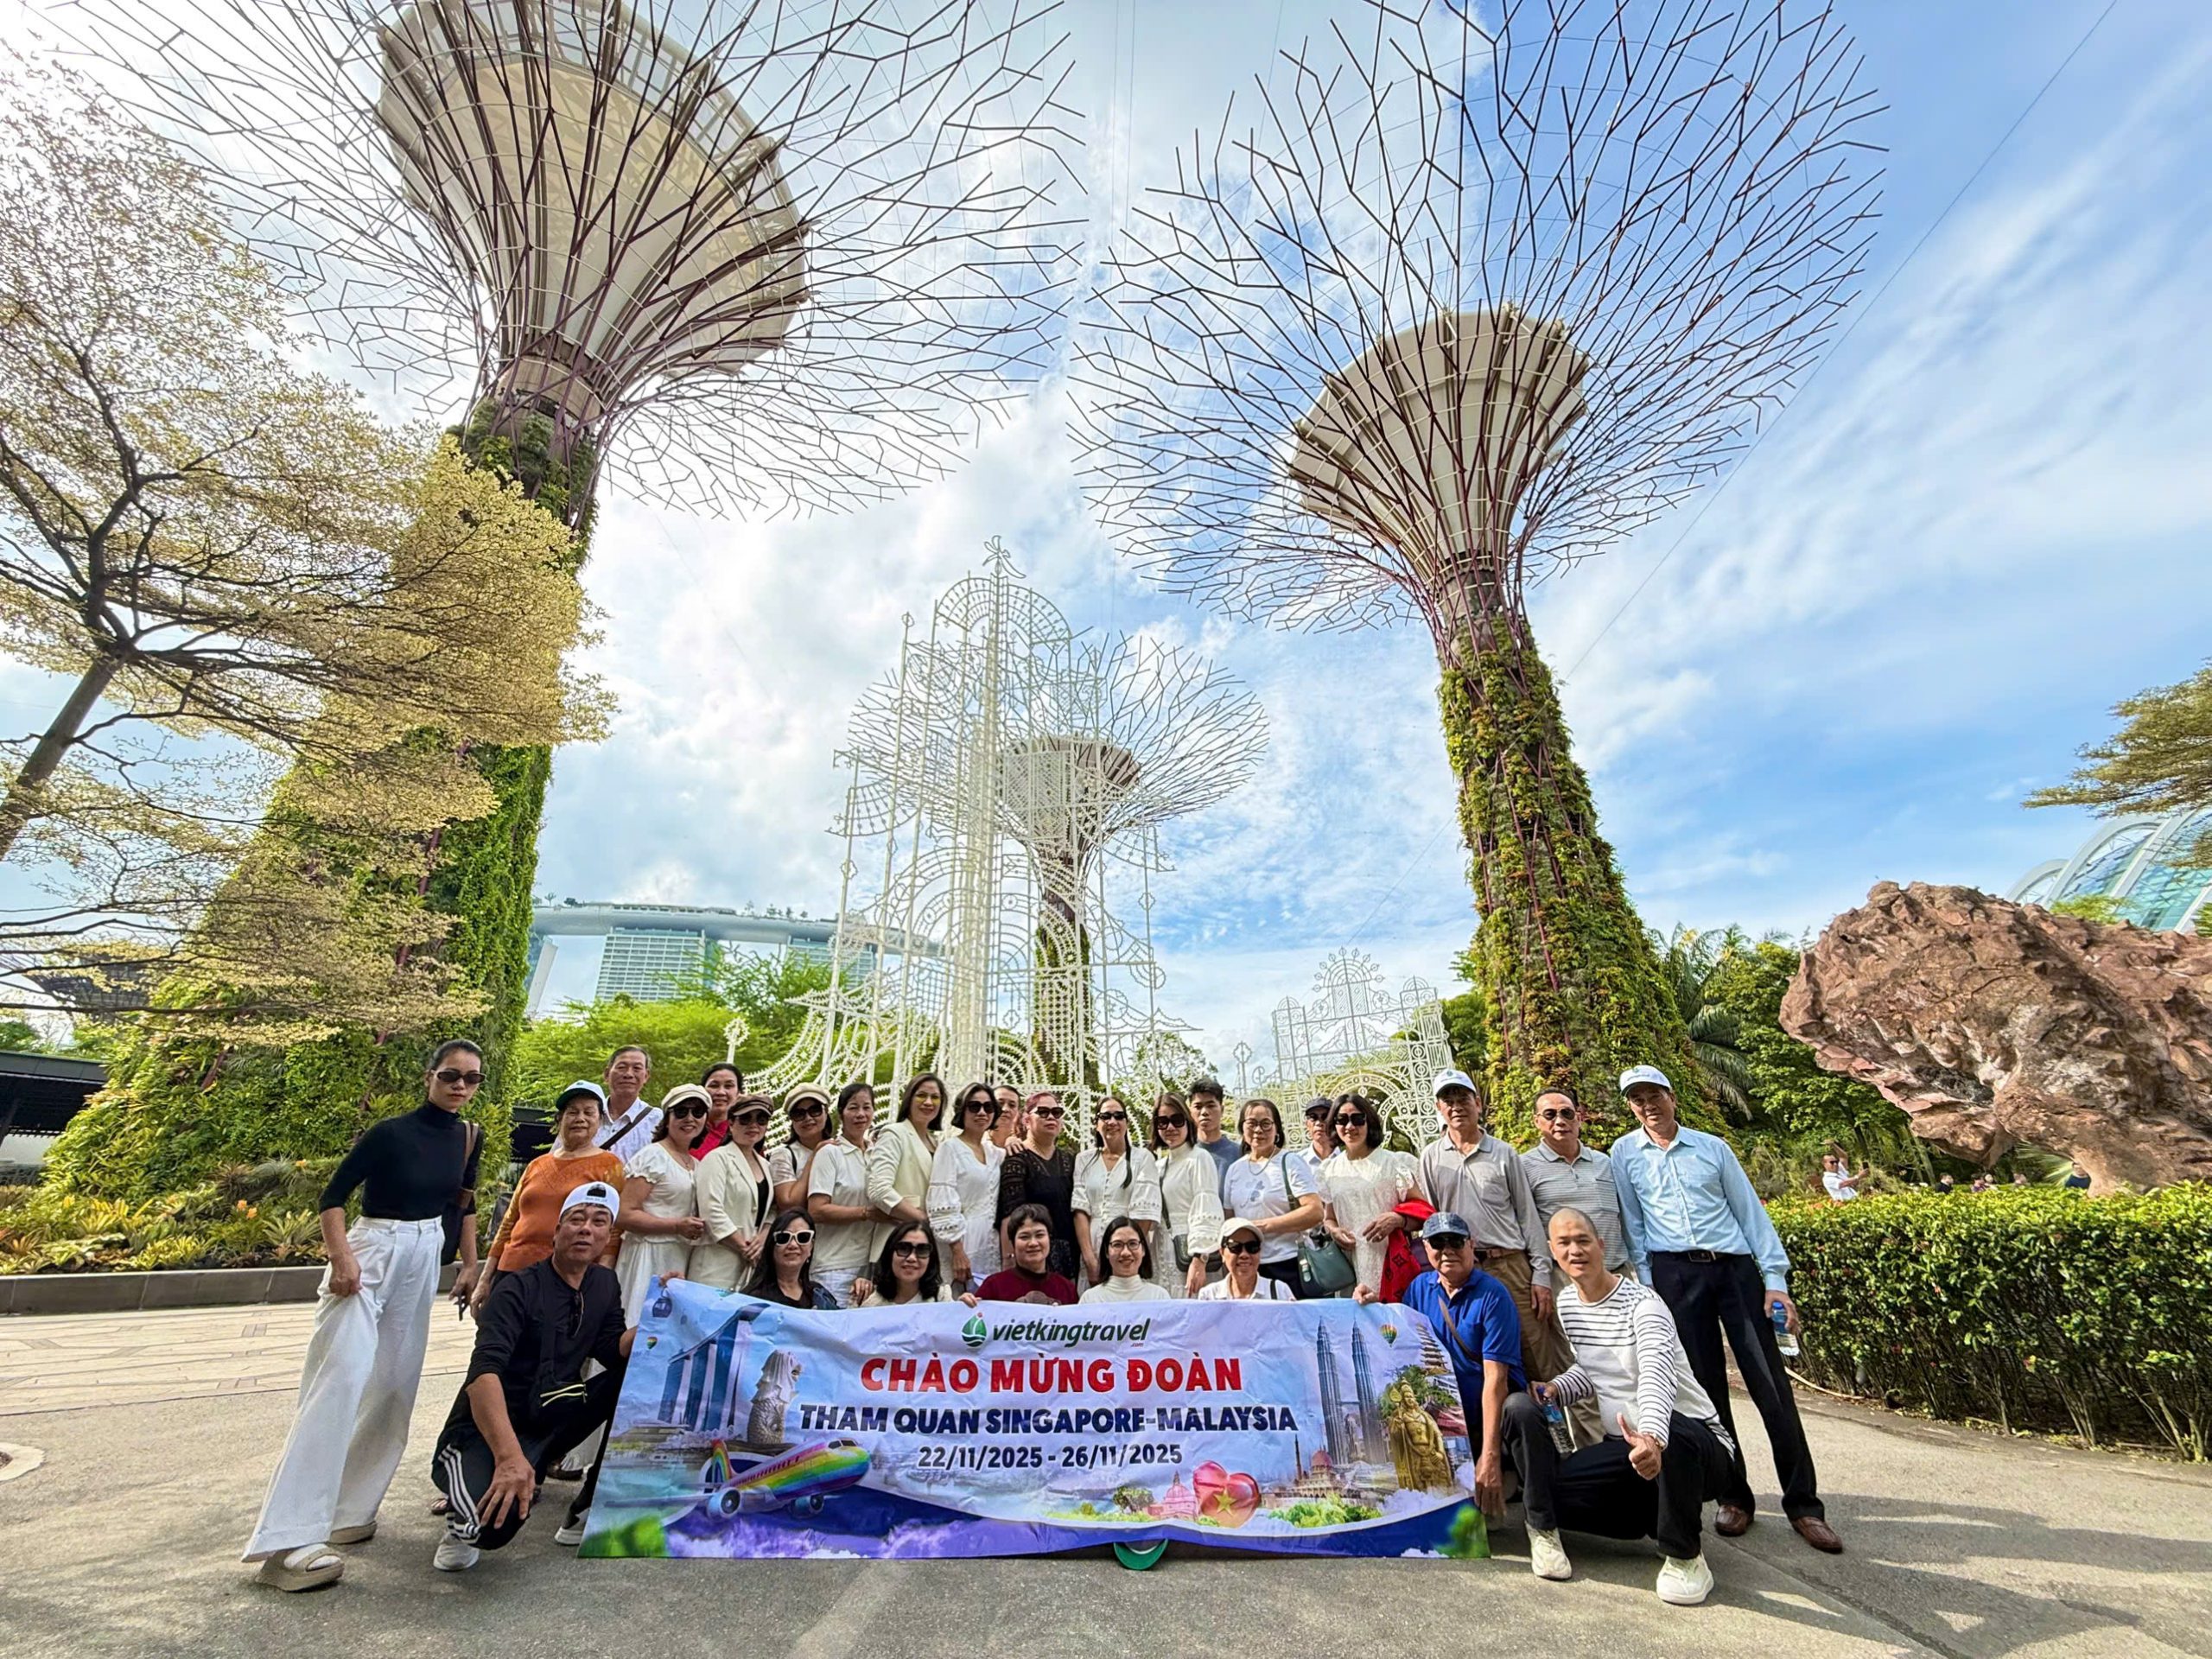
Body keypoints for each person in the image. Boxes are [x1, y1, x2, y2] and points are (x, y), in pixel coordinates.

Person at [242, 1039, 488, 1591]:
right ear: (430, 1075)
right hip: (373, 1248)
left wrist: (470, 1266)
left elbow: (463, 1206)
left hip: (425, 1255)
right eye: (451, 1075)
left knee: (395, 1388)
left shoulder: (470, 1136)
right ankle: (286, 1543)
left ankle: (349, 1510)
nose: (460, 1086)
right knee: (339, 1384)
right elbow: (333, 1198)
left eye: (472, 1079)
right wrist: (342, 1257)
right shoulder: (389, 1133)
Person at [1611, 1064, 1840, 1553]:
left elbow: (1750, 1214)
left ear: (1672, 1097)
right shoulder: (1625, 1154)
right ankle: (1734, 1498)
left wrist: (1774, 1280)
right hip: (1675, 1277)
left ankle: (1804, 1505)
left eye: (1654, 1095)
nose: (1647, 1105)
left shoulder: (1712, 1148)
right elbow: (1634, 1226)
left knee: (1770, 1386)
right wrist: (1651, 1288)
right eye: (1637, 1099)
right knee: (1708, 1393)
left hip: (1733, 1271)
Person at [1503, 1207, 1738, 1605]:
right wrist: (1557, 1389)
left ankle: (1685, 1556)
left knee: (1676, 1428)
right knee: (1547, 1492)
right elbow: (1595, 1371)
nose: (1575, 1250)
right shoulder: (1568, 1304)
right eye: (1565, 1243)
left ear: (1602, 1245)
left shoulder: (1645, 1304)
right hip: (1623, 1451)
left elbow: (1655, 1374)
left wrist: (1652, 1437)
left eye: (1583, 1240)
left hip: (1694, 1447)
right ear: (1552, 1253)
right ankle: (1650, 1515)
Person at [428, 1181, 635, 1573]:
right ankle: (461, 1516)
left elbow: (612, 1349)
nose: (586, 1229)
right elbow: (482, 1375)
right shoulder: (517, 1289)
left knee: (634, 1372)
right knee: (489, 1529)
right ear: (557, 1231)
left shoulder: (604, 1284)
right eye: (576, 1220)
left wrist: (662, 1313)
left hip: (554, 1413)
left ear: (608, 1236)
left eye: (598, 1222)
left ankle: (588, 1502)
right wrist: (508, 1458)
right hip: (488, 1428)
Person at [1357, 1211, 1523, 1516]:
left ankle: (1507, 1472)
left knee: (1518, 1411)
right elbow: (1396, 1340)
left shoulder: (1494, 1296)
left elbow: (1496, 1381)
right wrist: (1371, 1306)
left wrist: (1490, 1457)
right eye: (1437, 1242)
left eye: (1455, 1241)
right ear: (1426, 1248)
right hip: (1441, 1413)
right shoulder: (1419, 1288)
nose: (1447, 1250)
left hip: (1483, 1416)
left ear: (1472, 1245)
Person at [1420, 1068, 1573, 1381]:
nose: (1456, 1106)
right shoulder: (1431, 1157)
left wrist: (1540, 1274)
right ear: (1439, 1108)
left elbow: (1527, 1215)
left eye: (1463, 1098)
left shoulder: (1503, 1153)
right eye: (1447, 1100)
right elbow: (1431, 1220)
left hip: (1511, 1267)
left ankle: (1555, 1428)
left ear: (1477, 1103)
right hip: (1464, 1271)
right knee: (1479, 1361)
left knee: (1538, 1358)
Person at [473, 1082, 623, 1313]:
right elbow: (509, 1222)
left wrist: (599, 1284)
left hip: (565, 1275)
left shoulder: (609, 1165)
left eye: (588, 1112)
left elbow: (612, 1233)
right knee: (496, 1342)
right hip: (512, 1269)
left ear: (600, 1120)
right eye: (572, 1112)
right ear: (559, 1119)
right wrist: (484, 1280)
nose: (580, 1118)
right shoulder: (537, 1164)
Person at [613, 1084, 709, 1319]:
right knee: (637, 1320)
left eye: (697, 1112)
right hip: (647, 1257)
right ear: (667, 1118)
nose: (689, 1118)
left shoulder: (697, 1165)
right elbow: (624, 1214)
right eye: (681, 1111)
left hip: (679, 1257)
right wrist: (676, 1226)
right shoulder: (653, 1156)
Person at [1317, 1091, 1422, 1297]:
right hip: (1348, 1265)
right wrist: (1334, 1231)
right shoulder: (1329, 1170)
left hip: (1390, 1262)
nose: (1350, 1127)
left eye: (1357, 1119)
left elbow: (1422, 1211)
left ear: (1369, 1121)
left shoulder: (1393, 1163)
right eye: (1342, 1120)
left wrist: (1397, 1219)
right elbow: (1328, 1218)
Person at [1520, 1091, 1633, 1276]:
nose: (1560, 1121)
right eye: (1550, 1115)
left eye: (1567, 1113)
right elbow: (1526, 1225)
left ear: (1578, 1118)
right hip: (1564, 1278)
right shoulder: (1524, 1166)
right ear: (1536, 1121)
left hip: (1616, 1271)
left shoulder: (1604, 1162)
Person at [1219, 1097, 1323, 1299]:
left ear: (1277, 1130)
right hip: (1247, 1268)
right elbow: (1230, 1221)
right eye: (1251, 1123)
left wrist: (1265, 1227)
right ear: (1242, 1128)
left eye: (1266, 1123)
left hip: (1287, 1263)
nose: (1259, 1130)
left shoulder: (1290, 1162)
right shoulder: (1235, 1169)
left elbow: (1315, 1211)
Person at [688, 1091, 777, 1292]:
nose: (753, 1125)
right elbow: (711, 1211)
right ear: (731, 1123)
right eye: (745, 1119)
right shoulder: (717, 1158)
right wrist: (745, 1248)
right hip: (715, 1263)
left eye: (761, 1119)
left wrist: (762, 1240)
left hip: (751, 1267)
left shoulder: (766, 1165)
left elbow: (772, 1210)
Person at [1073, 1096, 1161, 1287]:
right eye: (1105, 1116)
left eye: (1119, 1116)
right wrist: (1090, 1260)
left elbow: (1144, 1212)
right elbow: (1080, 1209)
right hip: (1092, 1248)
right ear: (1096, 1124)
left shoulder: (1142, 1158)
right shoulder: (1084, 1159)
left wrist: (1128, 1253)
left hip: (1128, 1253)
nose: (1112, 1122)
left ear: (1126, 1123)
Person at [806, 1082, 881, 1307]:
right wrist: (866, 1213)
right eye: (853, 1108)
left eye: (866, 1108)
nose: (860, 1114)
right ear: (841, 1113)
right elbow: (817, 1209)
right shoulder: (831, 1152)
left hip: (869, 1268)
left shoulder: (876, 1155)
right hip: (833, 1266)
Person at [929, 1081, 1007, 1295]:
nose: (982, 1112)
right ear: (962, 1111)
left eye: (988, 1107)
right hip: (962, 1241)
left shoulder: (994, 1153)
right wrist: (957, 1250)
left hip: (991, 1242)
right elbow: (941, 1201)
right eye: (974, 1107)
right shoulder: (950, 1149)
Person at [996, 1091, 1079, 1281]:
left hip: (1069, 1257)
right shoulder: (1016, 1158)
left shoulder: (1070, 1160)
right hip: (1031, 1256)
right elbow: (1009, 1216)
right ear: (1026, 1120)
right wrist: (1009, 1261)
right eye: (1042, 1112)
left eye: (1056, 1112)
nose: (1051, 1117)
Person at [867, 1073, 945, 1266]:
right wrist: (921, 1219)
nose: (928, 1102)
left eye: (935, 1097)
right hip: (895, 1244)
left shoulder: (937, 1143)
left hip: (927, 1250)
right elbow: (878, 1189)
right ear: (909, 1098)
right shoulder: (894, 1133)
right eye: (921, 1095)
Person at [1149, 1090, 1222, 1298]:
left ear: (1188, 1122)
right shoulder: (1158, 1166)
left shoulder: (1199, 1158)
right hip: (1163, 1254)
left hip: (1191, 1255)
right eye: (1163, 1122)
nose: (1170, 1127)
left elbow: (1206, 1209)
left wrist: (1200, 1259)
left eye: (1176, 1120)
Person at [855, 1220, 982, 1307]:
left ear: (930, 1259)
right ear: (890, 1254)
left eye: (922, 1250)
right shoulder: (867, 1297)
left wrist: (961, 1311)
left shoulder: (942, 1298)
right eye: (904, 1248)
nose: (912, 1258)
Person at [976, 1205, 1078, 1305]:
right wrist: (966, 1306)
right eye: (1024, 1237)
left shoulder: (1067, 1289)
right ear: (1013, 1243)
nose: (1033, 1243)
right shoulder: (993, 1286)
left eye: (1039, 1235)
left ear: (1049, 1239)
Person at [746, 1208, 840, 1309]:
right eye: (784, 1238)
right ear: (771, 1246)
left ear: (811, 1247)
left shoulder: (820, 1296)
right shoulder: (753, 1300)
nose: (793, 1245)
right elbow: (742, 1325)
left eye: (803, 1237)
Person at [1197, 1217, 1295, 1301]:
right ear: (1222, 1253)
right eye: (1235, 1247)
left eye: (1252, 1247)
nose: (1244, 1254)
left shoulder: (1279, 1292)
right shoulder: (1209, 1296)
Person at [1080, 1215, 1173, 1303]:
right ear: (1106, 1252)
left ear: (1143, 1249)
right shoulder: (1090, 1299)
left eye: (1133, 1244)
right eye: (1117, 1245)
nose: (1126, 1253)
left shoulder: (1159, 1297)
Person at [770, 1084, 833, 1211]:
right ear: (791, 1121)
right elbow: (789, 1204)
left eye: (815, 1110)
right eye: (799, 1114)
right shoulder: (783, 1155)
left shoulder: (840, 1150)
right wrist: (814, 1157)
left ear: (826, 1112)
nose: (808, 1118)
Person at [595, 1046, 658, 1166]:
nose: (628, 1074)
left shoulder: (657, 1120)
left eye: (637, 1068)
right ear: (607, 1074)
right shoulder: (585, 1115)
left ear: (646, 1076)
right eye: (622, 1067)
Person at [1189, 1077, 1240, 1192]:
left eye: (1211, 1106)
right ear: (1190, 1111)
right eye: (1198, 1107)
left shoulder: (1239, 1154)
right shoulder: (1185, 1152)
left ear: (1222, 1110)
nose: (1204, 1112)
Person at [693, 1062, 746, 1158]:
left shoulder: (746, 1135)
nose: (721, 1092)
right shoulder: (686, 1128)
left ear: (739, 1093)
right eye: (714, 1086)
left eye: (728, 1086)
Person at [1293, 1096, 1337, 1187]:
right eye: (1313, 1117)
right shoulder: (1298, 1162)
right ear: (1307, 1125)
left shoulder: (1347, 1159)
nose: (1319, 1123)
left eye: (1325, 1117)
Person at [990, 1084, 1026, 1154]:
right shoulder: (977, 1141)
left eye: (1012, 1105)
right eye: (1000, 1103)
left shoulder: (1023, 1144)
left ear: (1018, 1111)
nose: (1005, 1109)